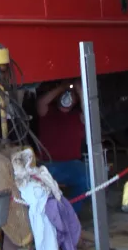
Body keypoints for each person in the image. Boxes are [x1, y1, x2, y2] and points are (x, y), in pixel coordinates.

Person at [35, 79, 89, 214]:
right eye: (65, 94)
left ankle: (69, 213)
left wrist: (78, 90)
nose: (68, 97)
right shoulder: (47, 113)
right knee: (42, 186)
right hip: (49, 165)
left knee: (87, 179)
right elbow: (41, 102)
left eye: (71, 96)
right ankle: (53, 214)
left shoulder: (79, 116)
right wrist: (62, 87)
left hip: (73, 165)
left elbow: (89, 111)